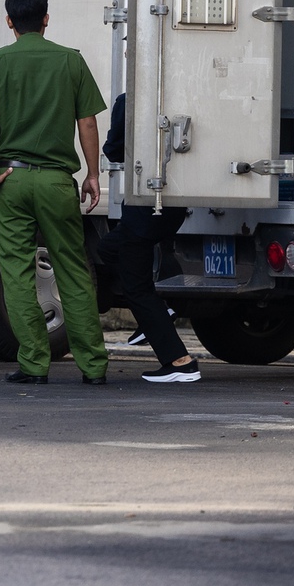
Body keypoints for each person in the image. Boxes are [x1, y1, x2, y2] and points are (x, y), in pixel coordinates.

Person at [0, 0, 108, 385]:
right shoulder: (70, 61)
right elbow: (88, 122)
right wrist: (93, 174)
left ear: (9, 22)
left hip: (10, 179)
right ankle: (94, 367)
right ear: (46, 19)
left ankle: (33, 363)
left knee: (16, 274)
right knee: (73, 273)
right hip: (58, 181)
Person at [97, 92, 200, 383]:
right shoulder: (183, 95)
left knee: (137, 289)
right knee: (109, 248)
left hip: (143, 203)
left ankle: (179, 362)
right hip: (176, 203)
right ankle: (163, 309)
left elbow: (115, 150)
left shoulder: (128, 100)